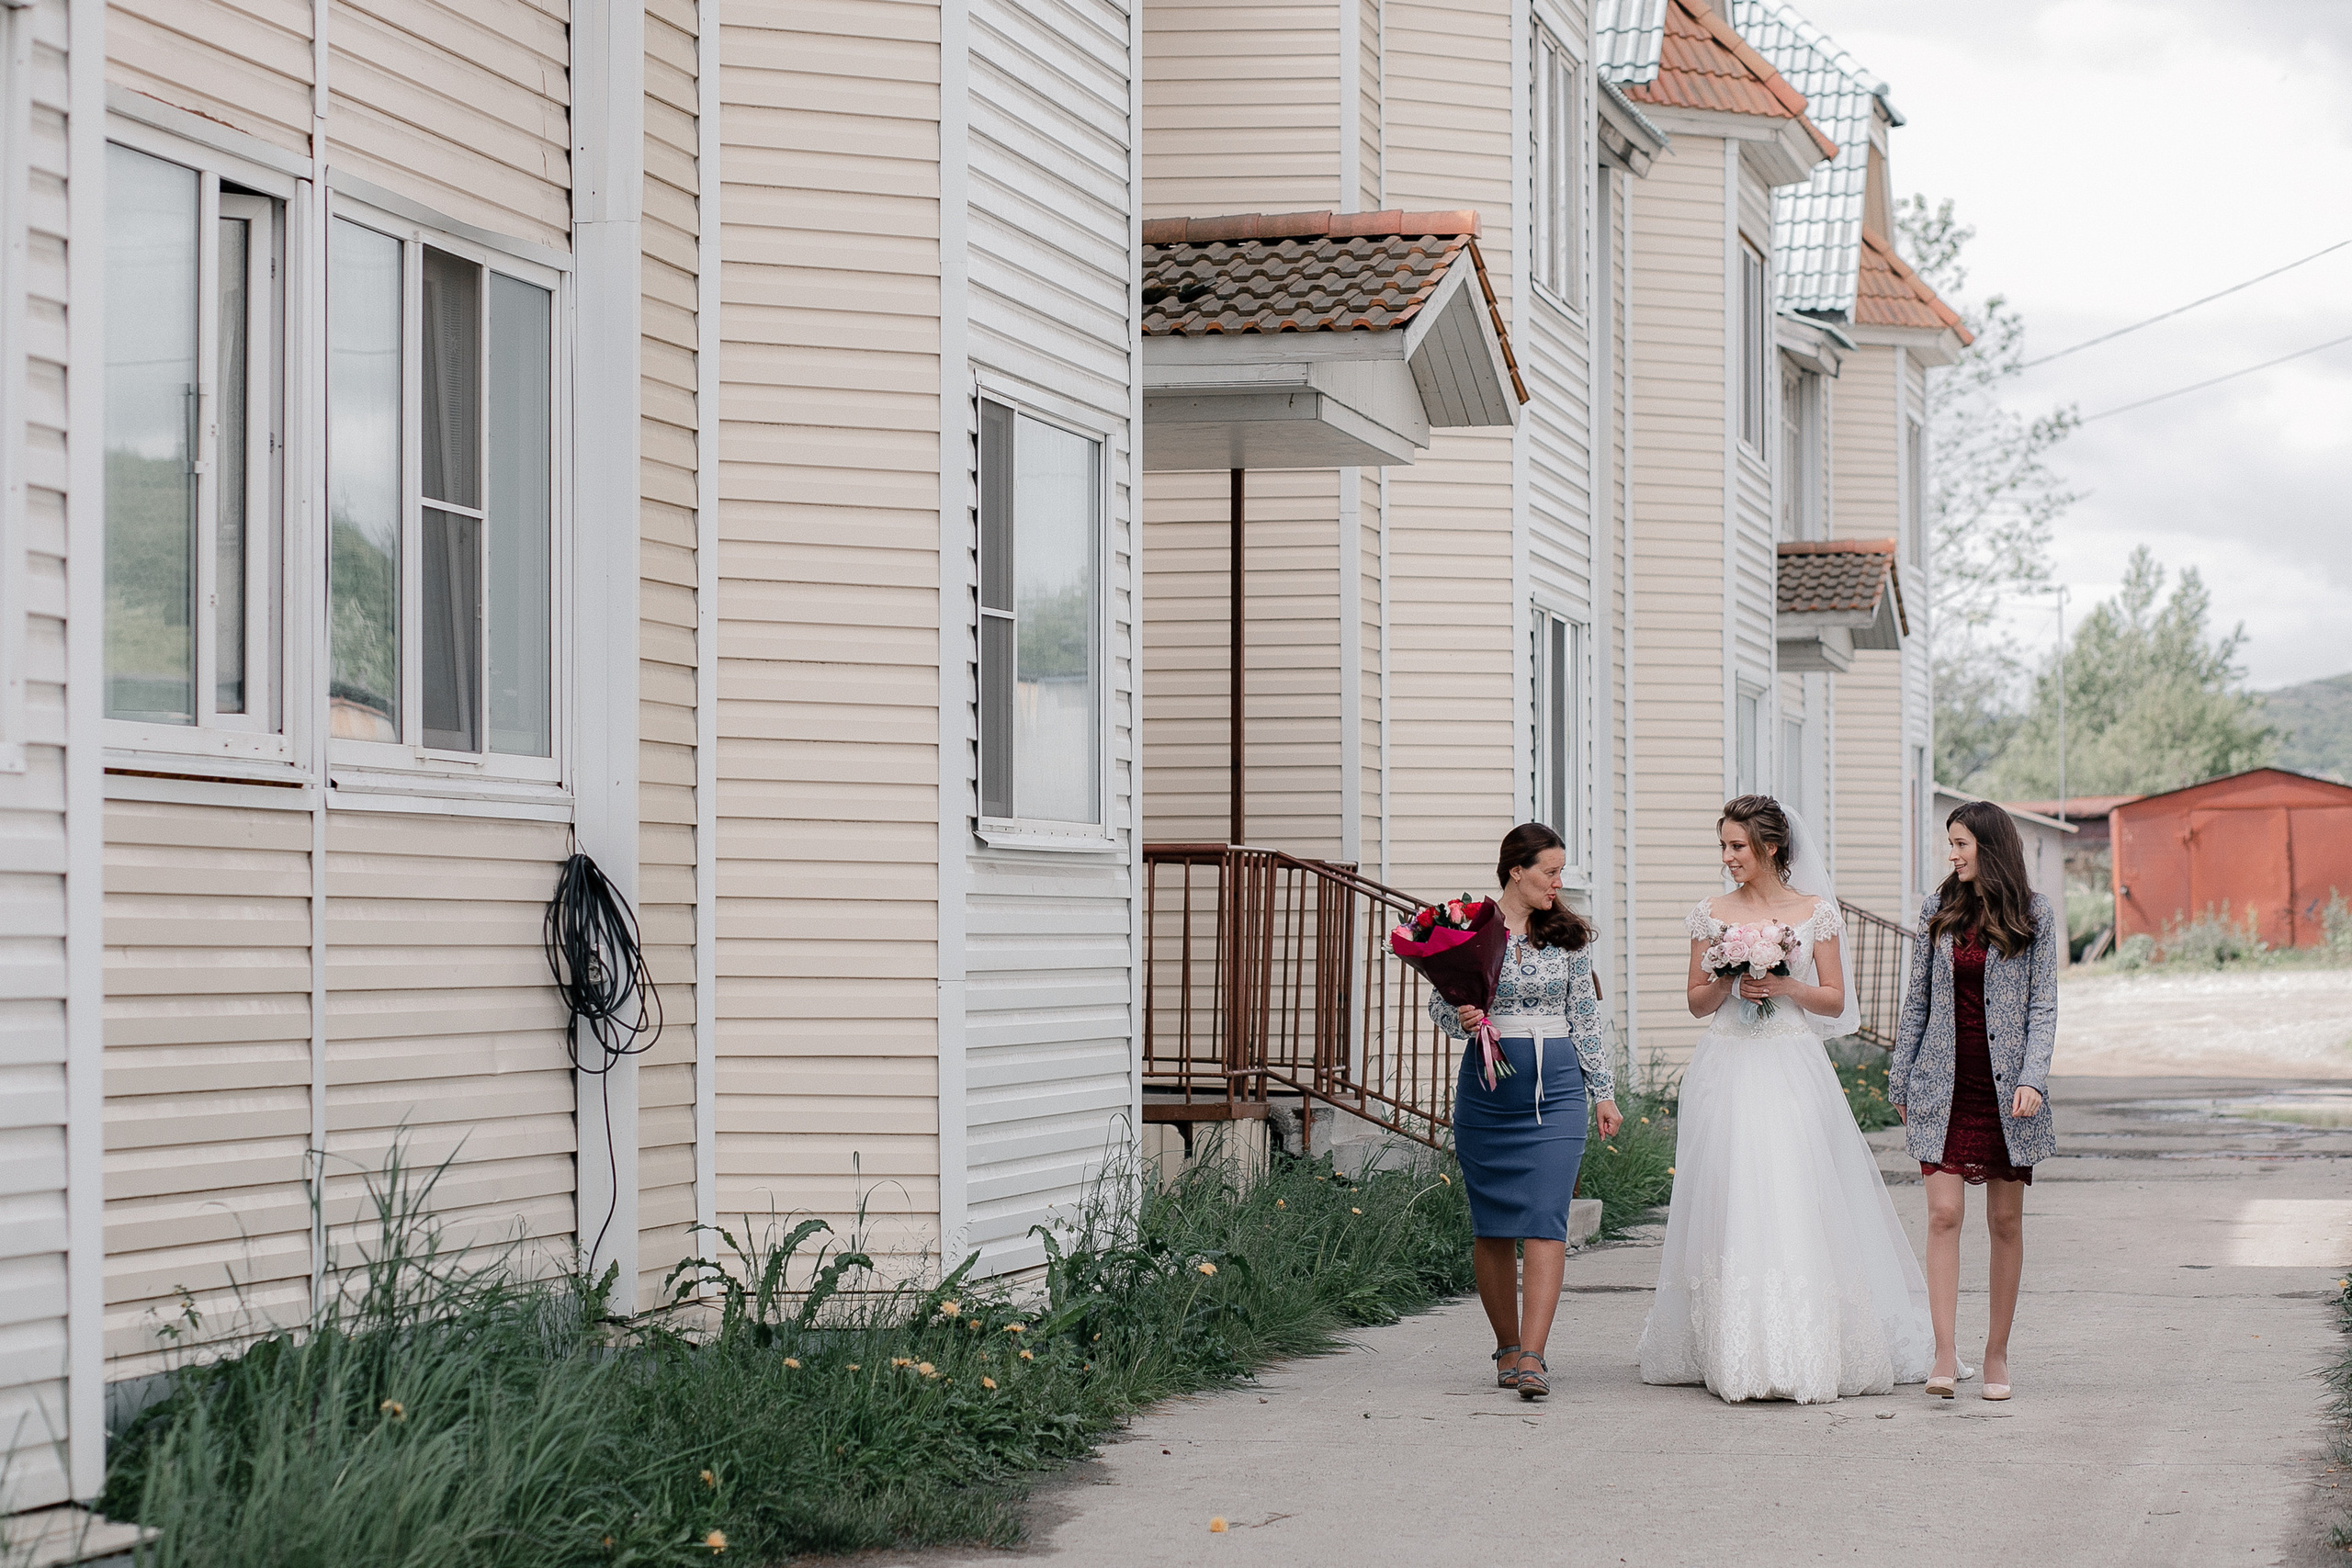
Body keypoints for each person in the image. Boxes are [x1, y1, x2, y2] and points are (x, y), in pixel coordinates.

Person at [1638, 795, 1935, 1404]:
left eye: (1737, 846)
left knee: (1794, 1186)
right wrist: (1727, 973)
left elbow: (1833, 1000)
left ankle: (1803, 1342)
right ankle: (1731, 1343)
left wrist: (1782, 983)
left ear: (1769, 847)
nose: (1727, 857)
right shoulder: (1710, 912)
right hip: (1727, 1062)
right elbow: (1695, 1000)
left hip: (1790, 1060)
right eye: (1722, 845)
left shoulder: (1814, 913)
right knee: (1730, 1189)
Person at [1430, 822, 1622, 1402]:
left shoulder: (1567, 935)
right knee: (1492, 1225)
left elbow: (1584, 1015)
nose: (1558, 884)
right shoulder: (1470, 929)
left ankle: (1535, 1355)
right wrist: (1461, 1018)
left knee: (1546, 1217)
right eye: (1551, 872)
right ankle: (1507, 1347)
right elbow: (1442, 1004)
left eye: (1561, 872)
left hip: (1556, 1087)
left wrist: (1602, 1091)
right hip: (1488, 1088)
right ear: (1517, 870)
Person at [1889, 800, 2059, 1402]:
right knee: (1943, 1215)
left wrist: (2034, 1077)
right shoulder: (1936, 909)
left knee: (2005, 1220)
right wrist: (1900, 1075)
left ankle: (1996, 1354)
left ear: (1990, 846)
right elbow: (1917, 1000)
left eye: (1960, 843)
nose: (1952, 854)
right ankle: (1943, 1352)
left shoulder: (2035, 914)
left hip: (2008, 1091)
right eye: (1950, 844)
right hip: (1943, 1083)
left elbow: (2043, 1006)